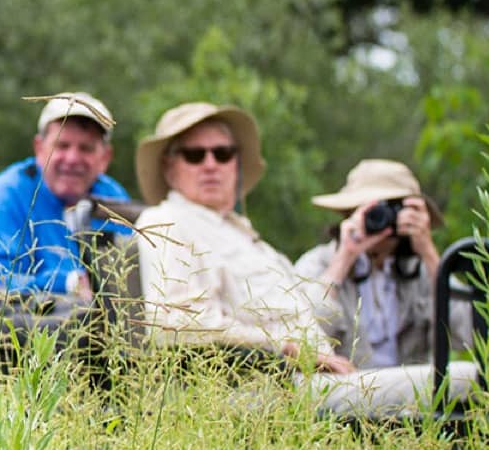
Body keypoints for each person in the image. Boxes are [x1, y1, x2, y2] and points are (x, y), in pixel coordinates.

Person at [132, 102, 353, 373]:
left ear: (236, 163)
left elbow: (306, 313)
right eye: (194, 155)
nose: (211, 164)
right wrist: (283, 347)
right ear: (169, 168)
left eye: (223, 153)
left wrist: (348, 253)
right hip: (272, 385)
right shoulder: (167, 222)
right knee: (421, 386)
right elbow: (176, 325)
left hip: (323, 378)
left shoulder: (244, 234)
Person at [0, 93, 132, 299]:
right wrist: (67, 283)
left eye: (86, 148)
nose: (72, 158)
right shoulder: (6, 195)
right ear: (39, 148)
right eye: (62, 145)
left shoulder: (113, 197)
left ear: (105, 157)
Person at [293, 160, 446, 368]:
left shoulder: (420, 270)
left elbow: (467, 334)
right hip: (346, 390)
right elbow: (301, 337)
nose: (380, 219)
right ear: (348, 213)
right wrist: (344, 259)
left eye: (391, 210)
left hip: (414, 391)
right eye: (370, 211)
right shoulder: (317, 264)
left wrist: (429, 252)